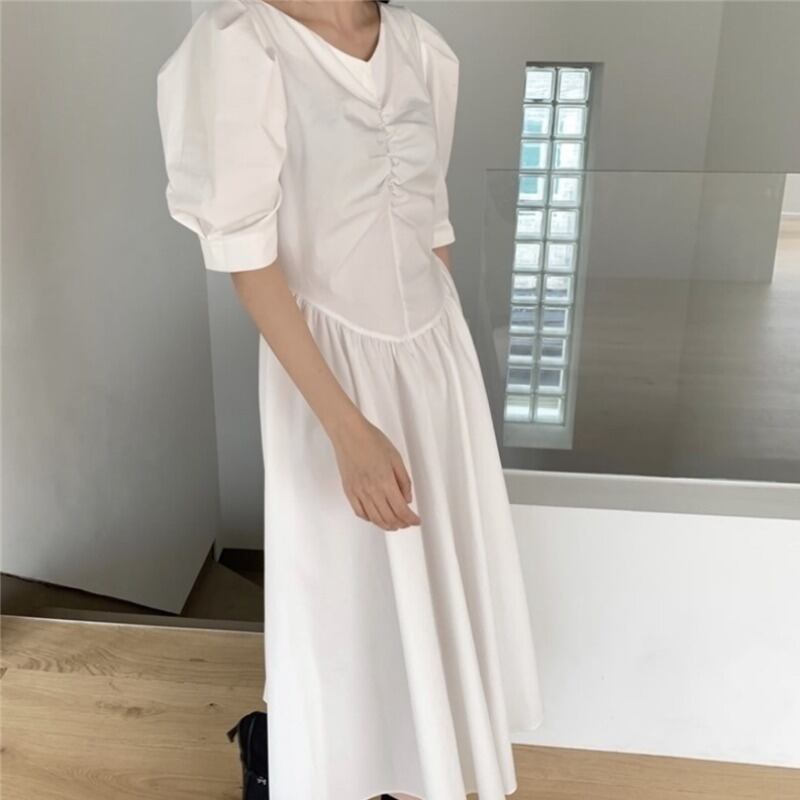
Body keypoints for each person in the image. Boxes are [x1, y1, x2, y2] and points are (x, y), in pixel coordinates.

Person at [155, 1, 544, 797]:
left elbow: (430, 222)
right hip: (329, 375)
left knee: (427, 584)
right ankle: (292, 758)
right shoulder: (242, 44)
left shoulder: (419, 46)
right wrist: (347, 429)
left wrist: (456, 372)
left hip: (437, 363)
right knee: (340, 595)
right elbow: (249, 260)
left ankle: (416, 768)